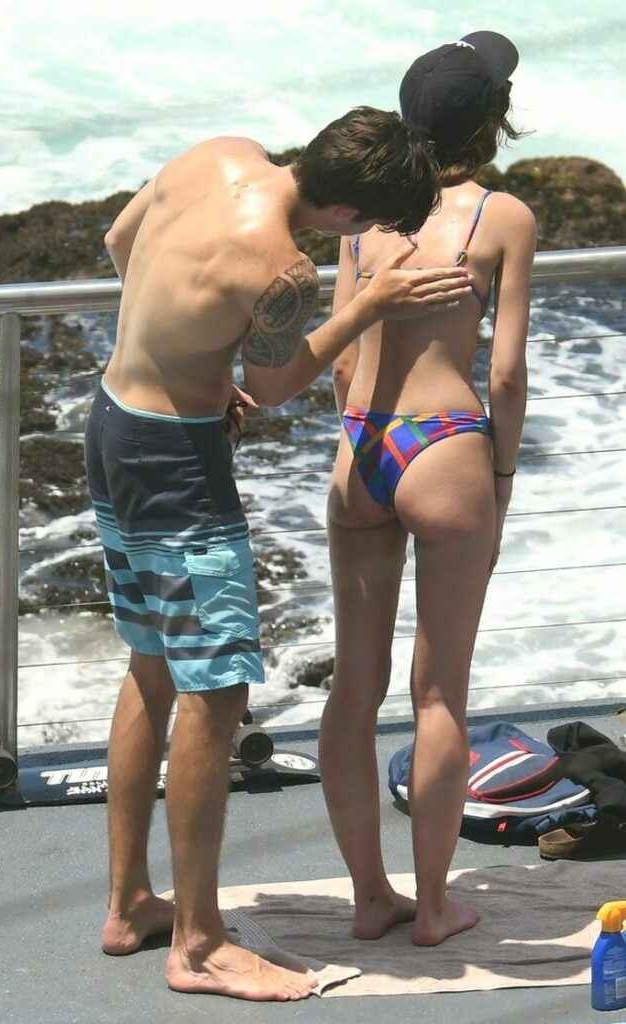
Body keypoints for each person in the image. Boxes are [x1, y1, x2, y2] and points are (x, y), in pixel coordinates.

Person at [83, 106, 475, 1002]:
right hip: (175, 463)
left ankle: (129, 902)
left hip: (111, 419)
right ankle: (198, 944)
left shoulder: (219, 152)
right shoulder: (282, 268)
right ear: (347, 215)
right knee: (216, 690)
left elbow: (119, 240)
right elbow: (277, 382)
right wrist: (368, 304)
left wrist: (181, 346)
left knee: (152, 660)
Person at [321, 33, 536, 947]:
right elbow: (508, 373)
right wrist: (502, 474)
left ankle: (371, 897)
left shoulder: (365, 214)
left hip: (362, 447)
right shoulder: (501, 216)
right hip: (445, 447)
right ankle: (435, 906)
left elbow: (340, 356)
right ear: (491, 120)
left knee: (354, 687)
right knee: (440, 693)